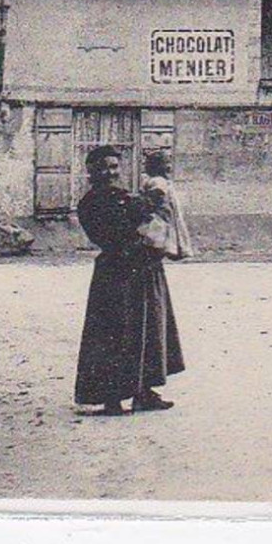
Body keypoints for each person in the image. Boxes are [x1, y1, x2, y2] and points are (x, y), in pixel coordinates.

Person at [73, 144, 184, 415]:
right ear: (90, 172)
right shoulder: (91, 203)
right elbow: (111, 234)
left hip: (142, 271)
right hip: (115, 274)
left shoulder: (126, 197)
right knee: (114, 335)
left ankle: (144, 392)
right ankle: (112, 399)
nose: (109, 172)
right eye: (102, 167)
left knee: (147, 330)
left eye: (113, 166)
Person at [140, 149, 195, 261]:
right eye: (165, 164)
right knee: (156, 244)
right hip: (158, 220)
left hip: (163, 219)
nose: (169, 168)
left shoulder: (163, 181)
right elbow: (156, 195)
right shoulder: (158, 181)